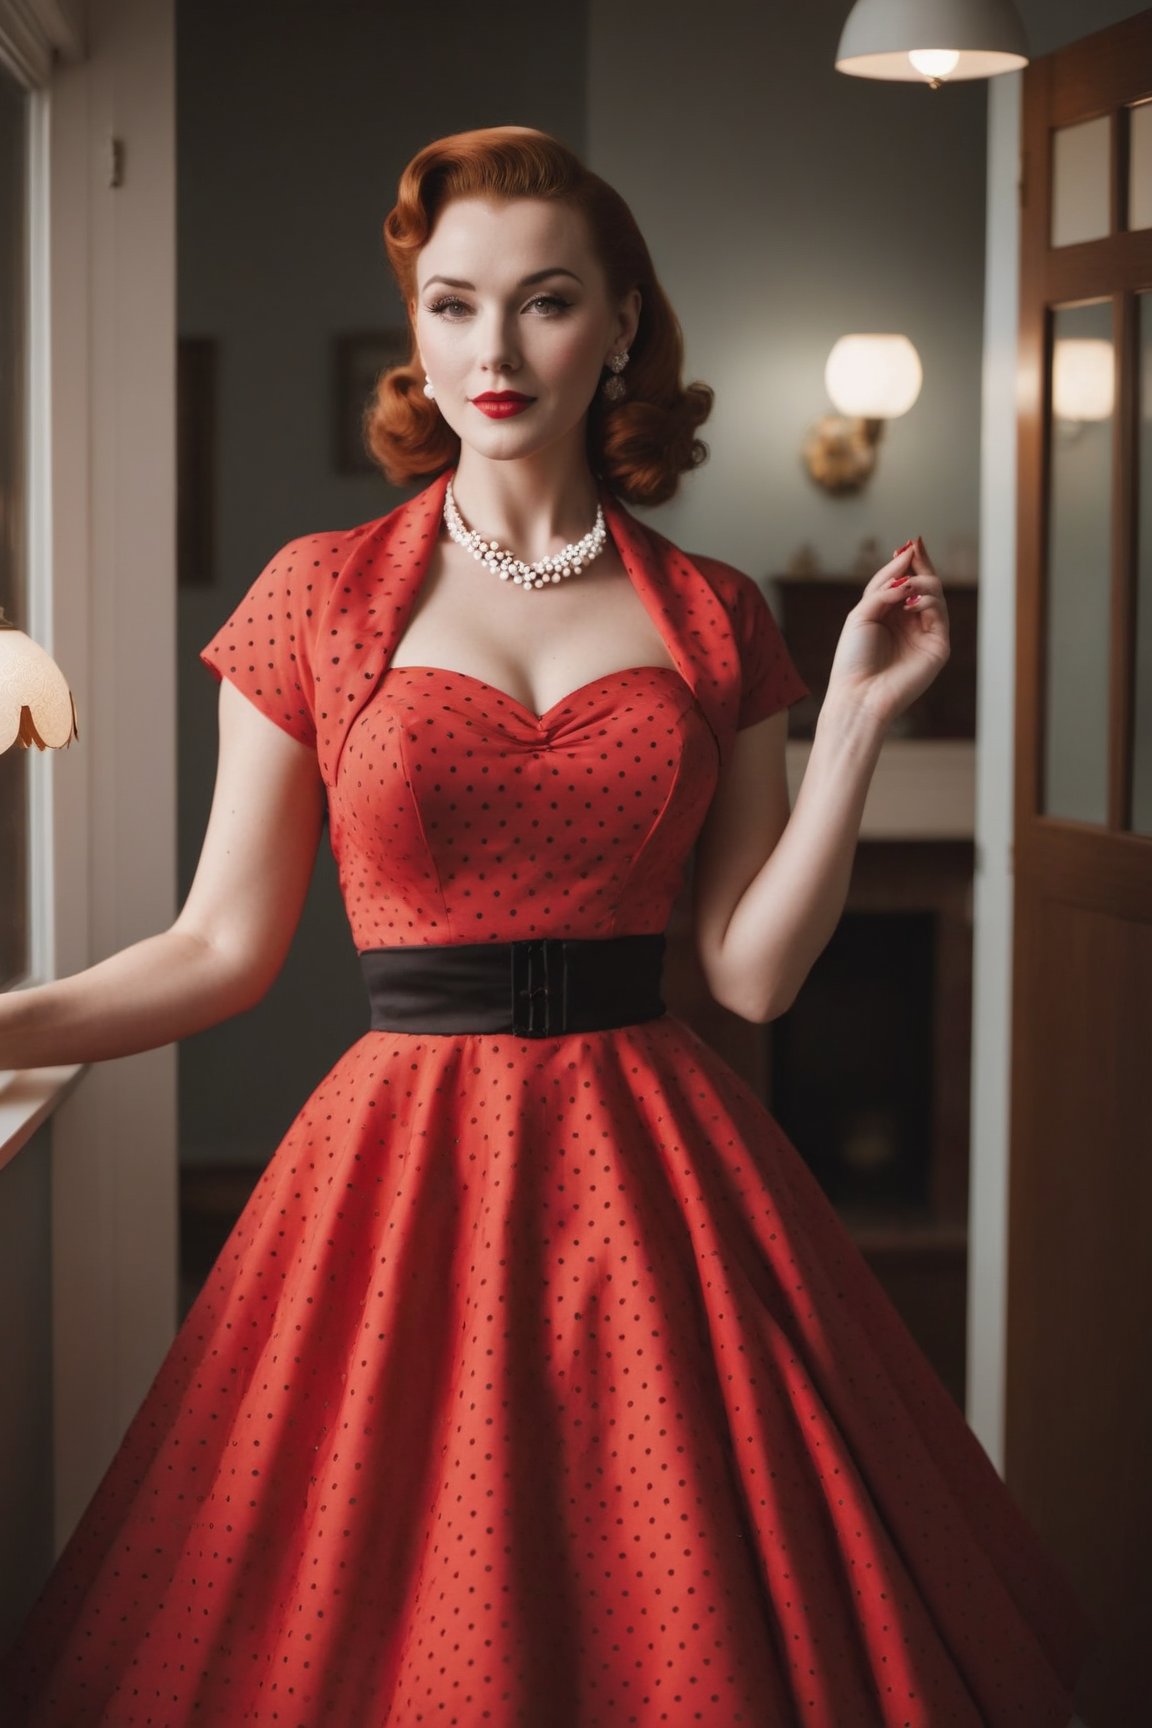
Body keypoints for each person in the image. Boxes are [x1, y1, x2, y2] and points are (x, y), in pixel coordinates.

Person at [0, 125, 1094, 1726]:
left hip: (648, 1162)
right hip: (394, 1168)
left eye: (546, 301)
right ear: (417, 332)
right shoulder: (318, 595)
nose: (493, 351)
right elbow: (218, 948)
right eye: (453, 306)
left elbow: (752, 970)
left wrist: (857, 720)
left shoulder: (714, 613)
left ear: (624, 325)